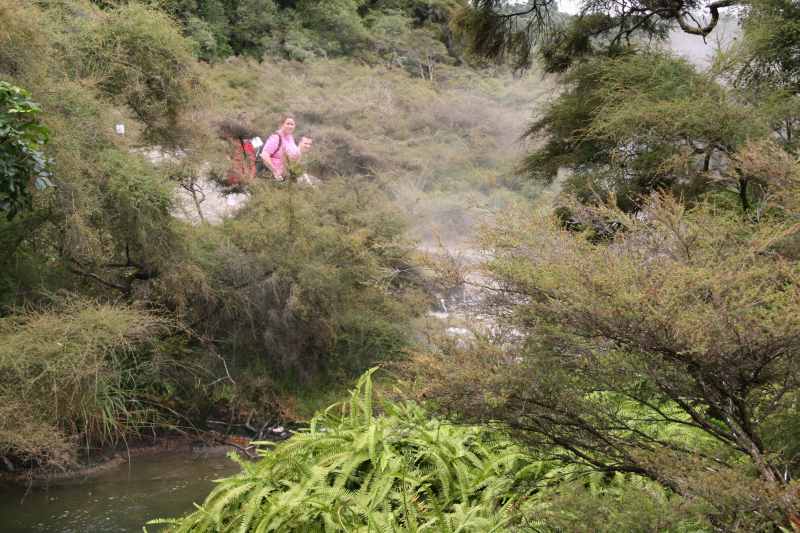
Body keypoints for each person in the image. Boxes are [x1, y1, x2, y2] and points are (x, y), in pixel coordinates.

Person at [261, 116, 312, 181]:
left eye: (292, 124)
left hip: (287, 175)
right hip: (273, 176)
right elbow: (264, 155)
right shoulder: (276, 137)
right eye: (288, 124)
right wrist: (275, 171)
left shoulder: (290, 137)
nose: (290, 126)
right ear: (282, 124)